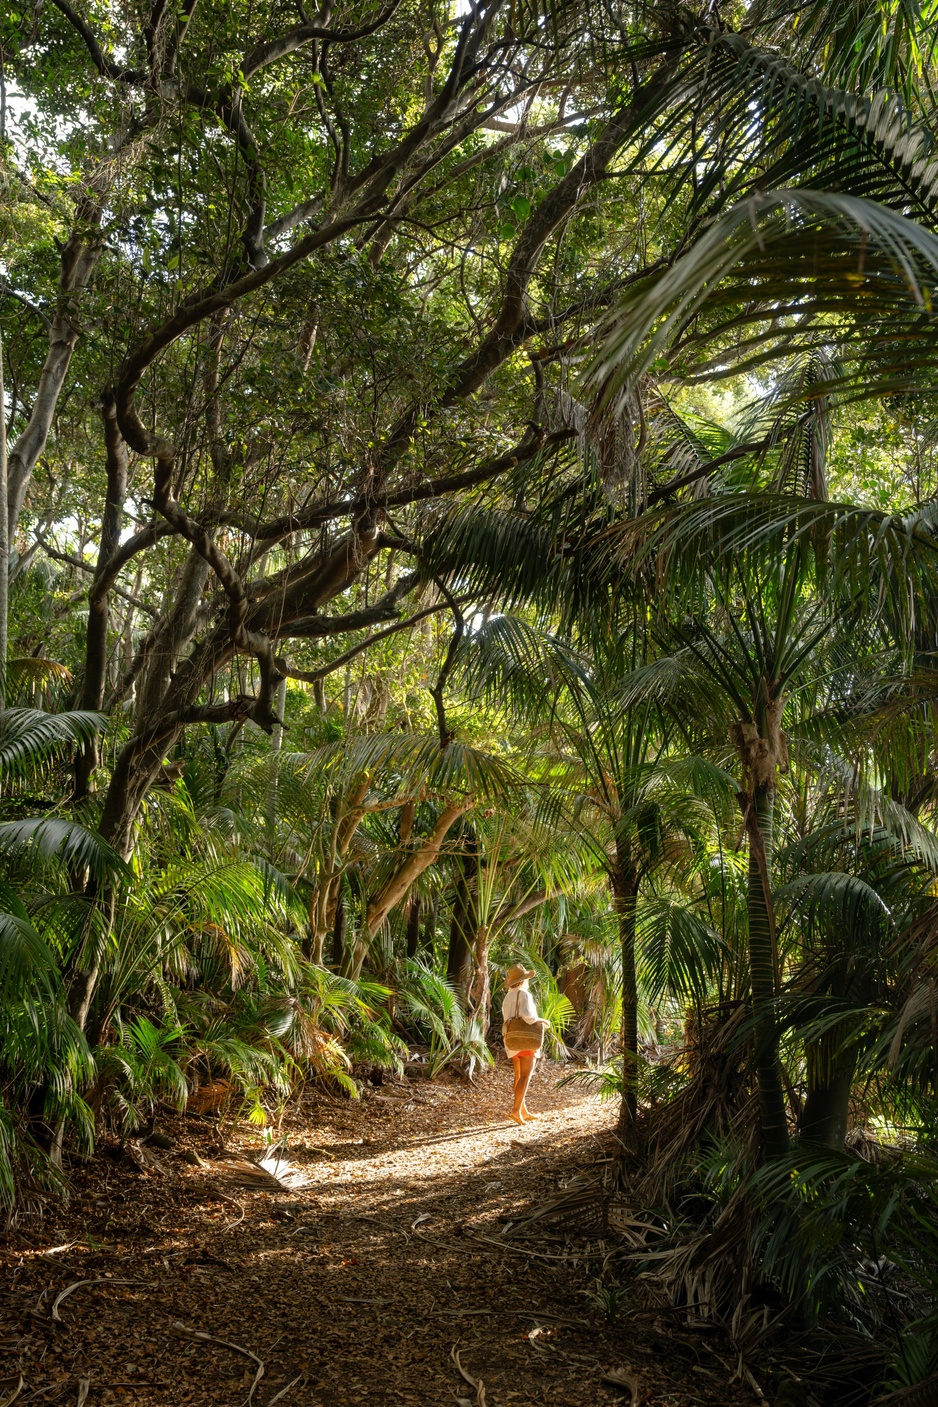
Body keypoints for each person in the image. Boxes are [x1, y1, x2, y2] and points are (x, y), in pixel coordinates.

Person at [502, 963, 550, 1125]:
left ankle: (522, 1110)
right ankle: (515, 1111)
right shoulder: (524, 994)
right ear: (524, 980)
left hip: (512, 1039)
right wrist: (542, 1020)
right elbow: (528, 1017)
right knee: (525, 1076)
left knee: (518, 1075)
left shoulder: (508, 996)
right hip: (526, 1039)